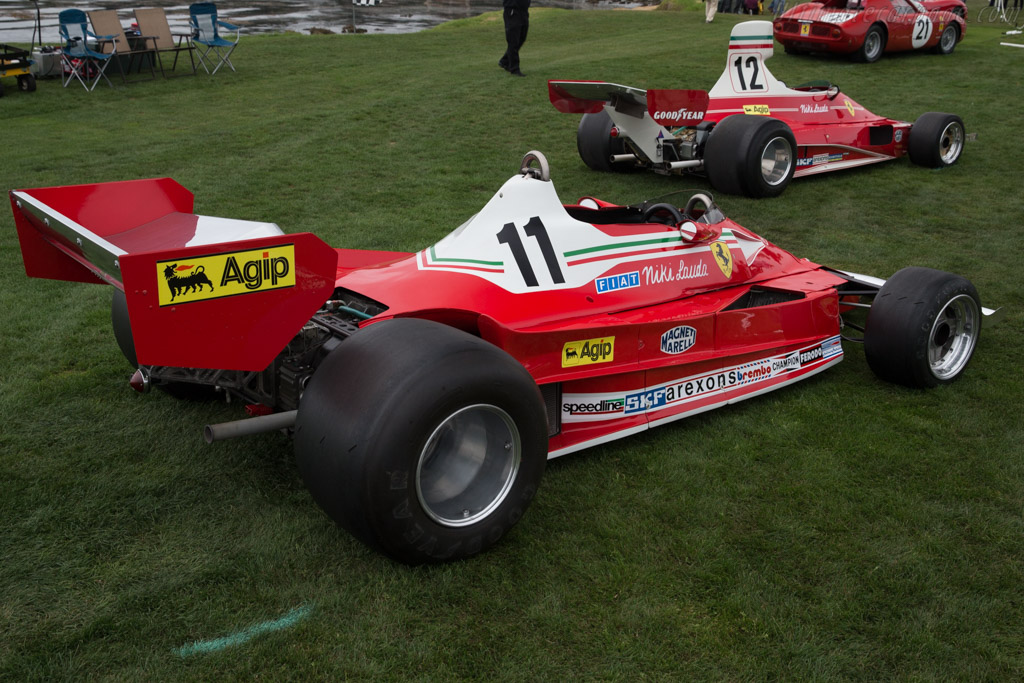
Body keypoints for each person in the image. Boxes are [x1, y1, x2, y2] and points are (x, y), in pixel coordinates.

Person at [499, 0, 530, 77]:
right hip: (512, 11)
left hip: (523, 11)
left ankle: (504, 61)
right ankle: (514, 69)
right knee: (513, 41)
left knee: (522, 38)